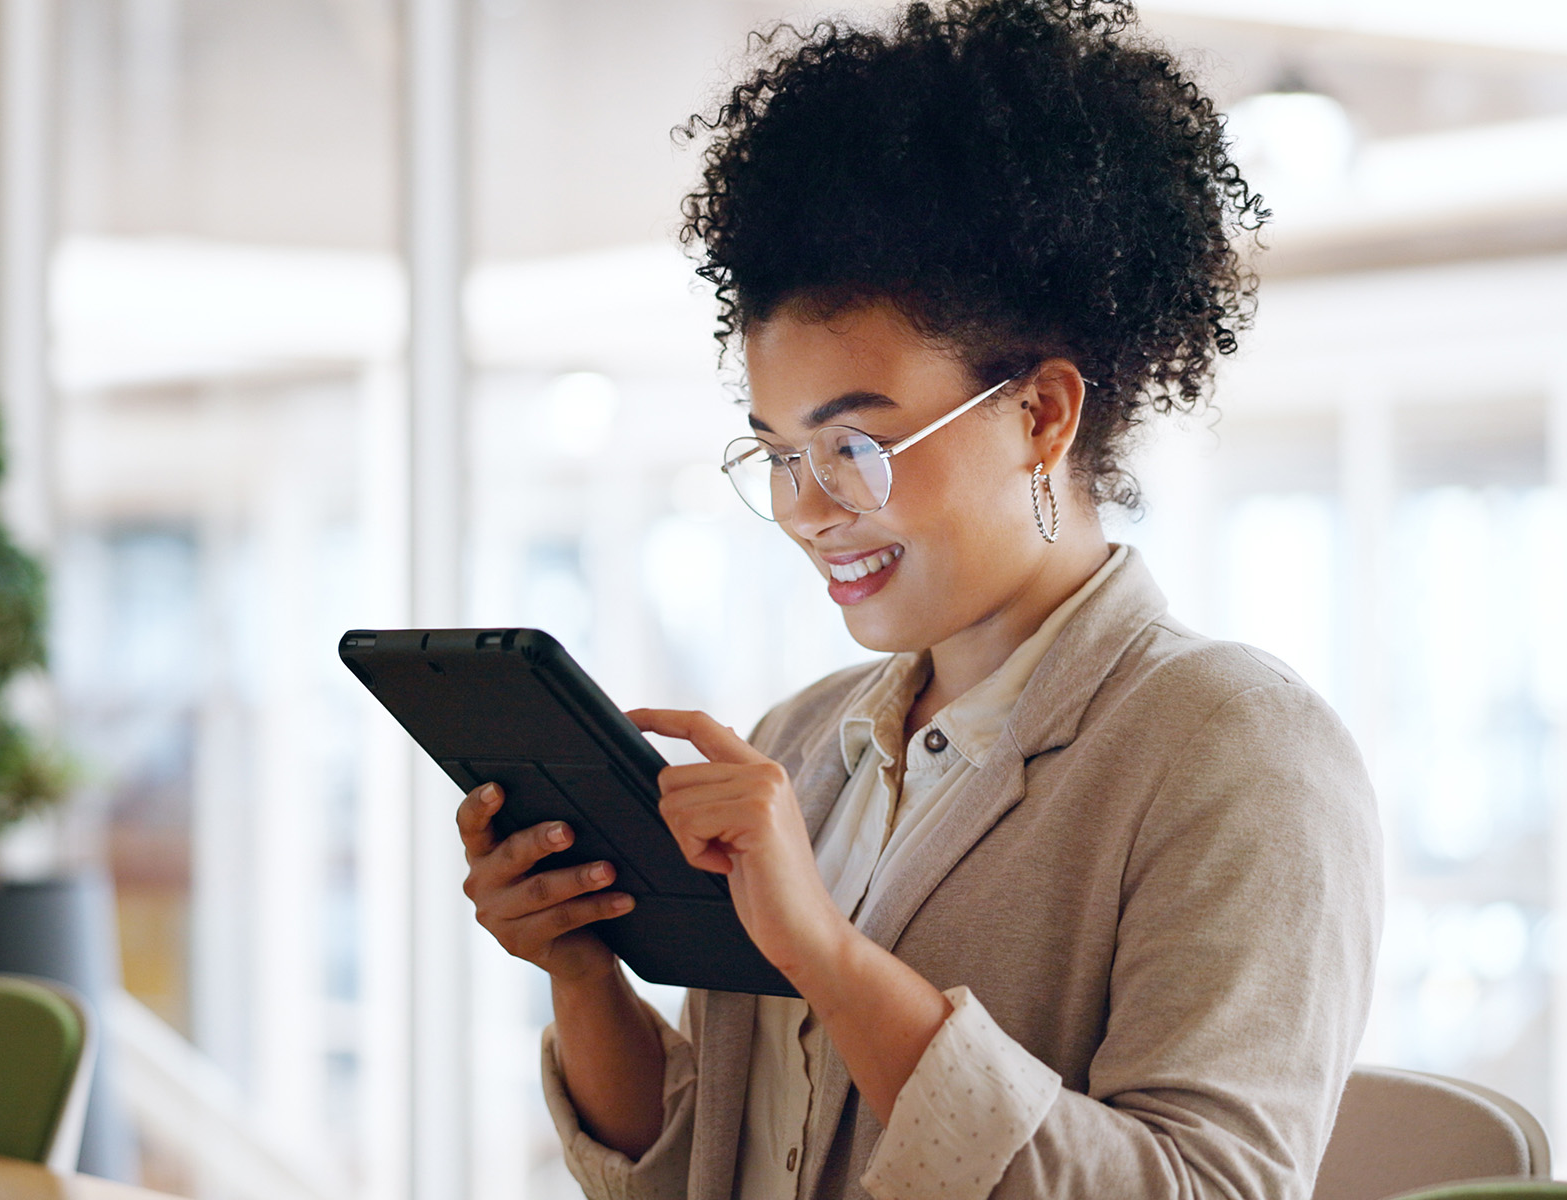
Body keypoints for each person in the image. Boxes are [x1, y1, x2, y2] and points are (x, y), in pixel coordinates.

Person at [455, 1, 1383, 1196]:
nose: (805, 508)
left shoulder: (1237, 751)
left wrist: (829, 959)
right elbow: (716, 1162)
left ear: (1041, 414)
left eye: (856, 447)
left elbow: (1206, 1188)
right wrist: (584, 969)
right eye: (779, 455)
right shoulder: (807, 742)